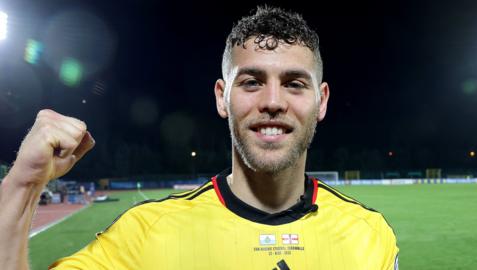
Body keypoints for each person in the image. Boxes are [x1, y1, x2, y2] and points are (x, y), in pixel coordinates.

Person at [0, 6, 398, 270]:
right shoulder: (146, 235)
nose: (273, 101)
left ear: (321, 100)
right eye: (251, 82)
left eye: (294, 83)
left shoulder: (370, 236)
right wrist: (22, 185)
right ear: (221, 98)